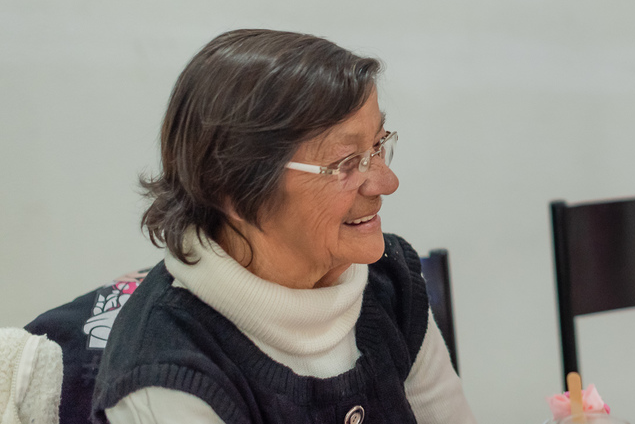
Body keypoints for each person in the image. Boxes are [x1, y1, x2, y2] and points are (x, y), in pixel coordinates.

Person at [92, 29, 477, 424]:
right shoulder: (166, 378)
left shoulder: (390, 283)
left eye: (378, 145)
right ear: (235, 190)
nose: (386, 182)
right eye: (346, 162)